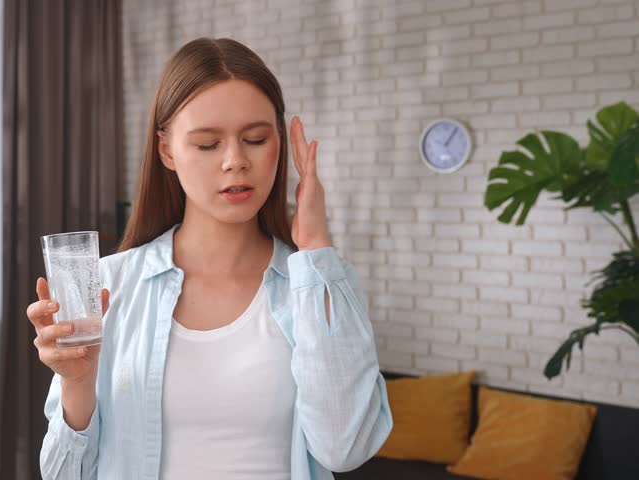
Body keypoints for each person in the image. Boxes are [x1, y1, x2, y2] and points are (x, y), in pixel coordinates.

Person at [27, 37, 392, 480]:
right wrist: (77, 382)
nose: (235, 161)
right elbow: (63, 475)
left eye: (256, 139)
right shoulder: (110, 286)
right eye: (206, 145)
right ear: (167, 151)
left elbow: (344, 449)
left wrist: (314, 248)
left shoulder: (317, 288)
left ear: (280, 140)